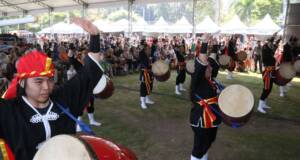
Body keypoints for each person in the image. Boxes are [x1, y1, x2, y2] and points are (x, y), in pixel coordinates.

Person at [0, 17, 105, 160]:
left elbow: (89, 72)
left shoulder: (63, 98)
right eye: (38, 82)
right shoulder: (9, 112)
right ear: (23, 83)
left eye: (49, 80)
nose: (46, 87)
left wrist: (95, 36)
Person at [189, 36, 222, 160]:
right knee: (199, 147)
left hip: (212, 117)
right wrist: (204, 43)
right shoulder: (198, 79)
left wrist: (215, 46)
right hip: (201, 119)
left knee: (209, 142)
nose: (211, 68)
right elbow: (202, 63)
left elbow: (211, 61)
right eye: (208, 67)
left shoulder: (209, 79)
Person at [257, 34, 280, 114]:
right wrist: (272, 37)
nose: (272, 45)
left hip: (271, 72)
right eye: (271, 43)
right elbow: (269, 47)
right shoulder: (265, 49)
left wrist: (278, 40)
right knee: (266, 89)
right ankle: (259, 107)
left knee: (269, 89)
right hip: (267, 72)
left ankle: (263, 104)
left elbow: (274, 47)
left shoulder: (269, 50)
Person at [139, 40, 154, 109]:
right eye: (148, 49)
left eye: (150, 49)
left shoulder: (149, 56)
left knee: (150, 86)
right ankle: (142, 102)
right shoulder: (142, 55)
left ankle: (147, 99)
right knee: (143, 87)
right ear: (145, 50)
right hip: (144, 73)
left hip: (149, 73)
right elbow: (141, 52)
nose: (150, 51)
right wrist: (144, 44)